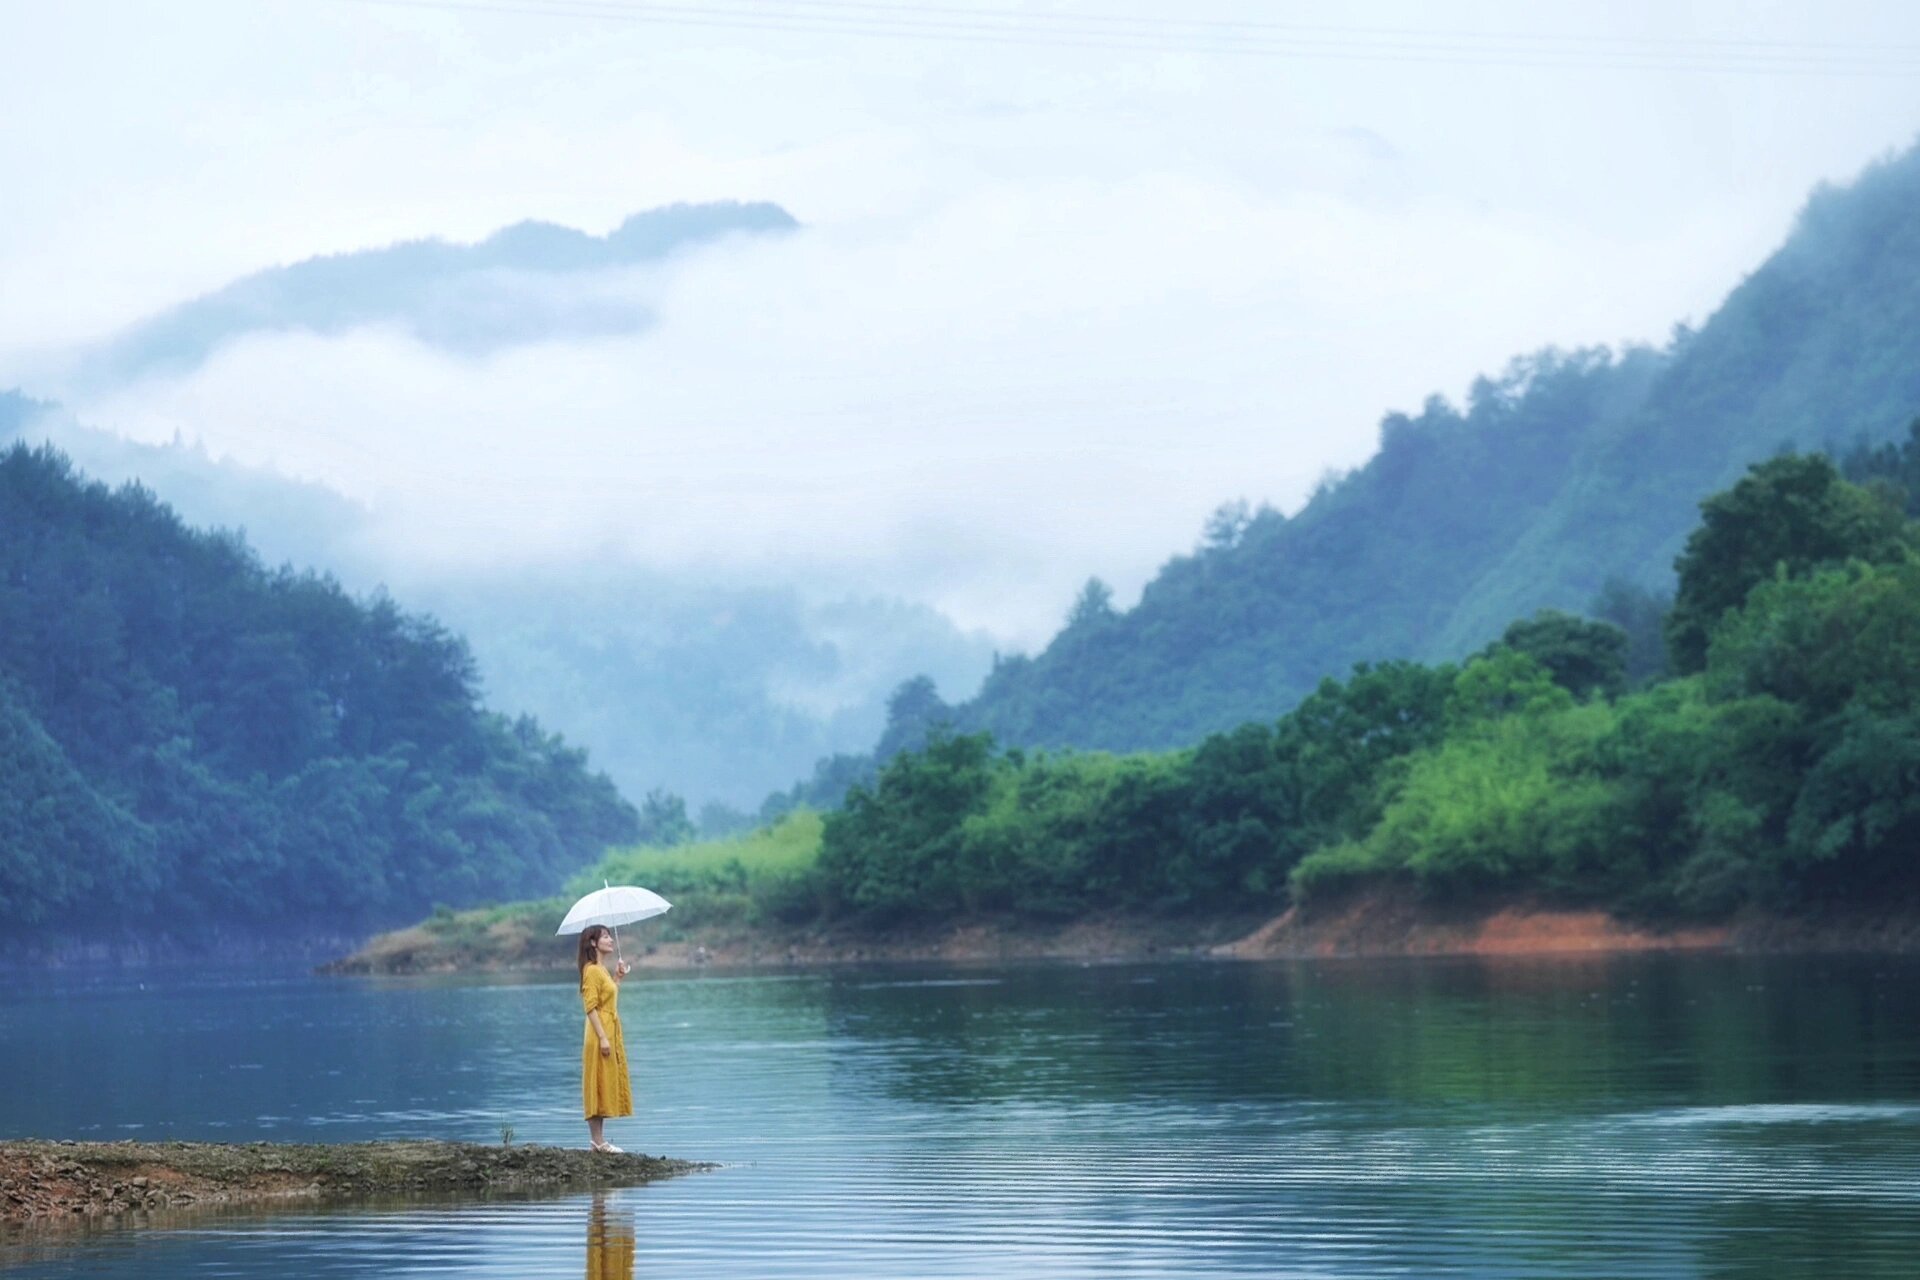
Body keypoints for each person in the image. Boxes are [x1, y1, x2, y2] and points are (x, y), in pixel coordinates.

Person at [578, 925, 633, 1151]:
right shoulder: (590, 970)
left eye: (610, 936)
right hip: (599, 1030)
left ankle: (598, 1141)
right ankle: (597, 1141)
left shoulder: (600, 969)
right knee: (596, 1081)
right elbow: (590, 1007)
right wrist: (602, 1038)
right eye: (605, 937)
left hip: (609, 1028)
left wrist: (617, 978)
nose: (610, 940)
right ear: (593, 943)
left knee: (604, 1081)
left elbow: (608, 999)